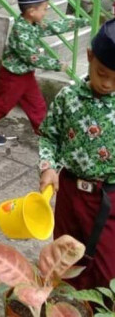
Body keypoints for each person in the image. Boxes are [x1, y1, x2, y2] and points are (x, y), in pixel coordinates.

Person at [39, 19, 115, 290]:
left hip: (108, 198)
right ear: (90, 57)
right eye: (103, 73)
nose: (108, 84)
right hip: (70, 195)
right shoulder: (68, 97)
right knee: (65, 259)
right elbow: (49, 136)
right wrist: (48, 167)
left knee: (107, 269)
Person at [0, 0, 90, 146]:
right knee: (3, 105)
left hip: (26, 75)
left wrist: (81, 22)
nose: (46, 12)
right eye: (44, 9)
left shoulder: (33, 24)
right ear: (31, 11)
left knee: (37, 105)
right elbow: (32, 57)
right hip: (13, 77)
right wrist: (56, 64)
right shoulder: (20, 30)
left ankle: (46, 134)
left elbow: (53, 27)